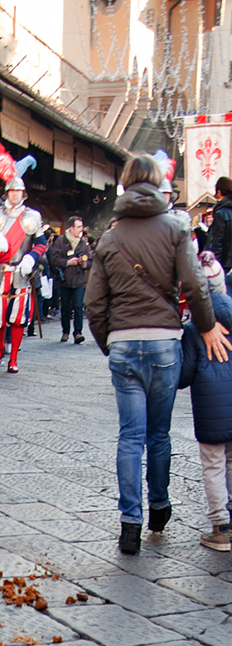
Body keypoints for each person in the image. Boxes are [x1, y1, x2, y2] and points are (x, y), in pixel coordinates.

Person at [85, 151, 230, 555]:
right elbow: (195, 286)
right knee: (158, 434)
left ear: (127, 184)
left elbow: (94, 306)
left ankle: (129, 524)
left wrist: (108, 343)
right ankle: (160, 506)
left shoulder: (110, 238)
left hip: (124, 346)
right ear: (159, 183)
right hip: (165, 342)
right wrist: (207, 327)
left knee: (130, 436)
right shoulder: (177, 227)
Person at [0, 143, 47, 373]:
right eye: (11, 191)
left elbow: (41, 243)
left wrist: (31, 258)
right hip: (0, 270)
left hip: (21, 271)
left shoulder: (32, 216)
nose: (15, 195)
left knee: (17, 318)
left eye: (18, 192)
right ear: (7, 193)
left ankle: (13, 357)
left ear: (23, 194)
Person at [178, 270, 232, 549]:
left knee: (213, 466)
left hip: (210, 411)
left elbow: (184, 375)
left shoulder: (194, 327)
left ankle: (220, 527)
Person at [51, 216, 91, 343]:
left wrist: (84, 264)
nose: (81, 229)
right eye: (79, 226)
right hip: (65, 279)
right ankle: (65, 331)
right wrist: (68, 262)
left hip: (78, 280)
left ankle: (78, 333)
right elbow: (54, 259)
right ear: (71, 228)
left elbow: (89, 261)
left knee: (79, 306)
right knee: (66, 308)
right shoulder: (61, 241)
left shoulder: (83, 243)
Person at [206, 175, 232, 293]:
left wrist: (215, 266)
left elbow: (218, 242)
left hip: (225, 264)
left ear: (219, 192)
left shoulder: (221, 213)